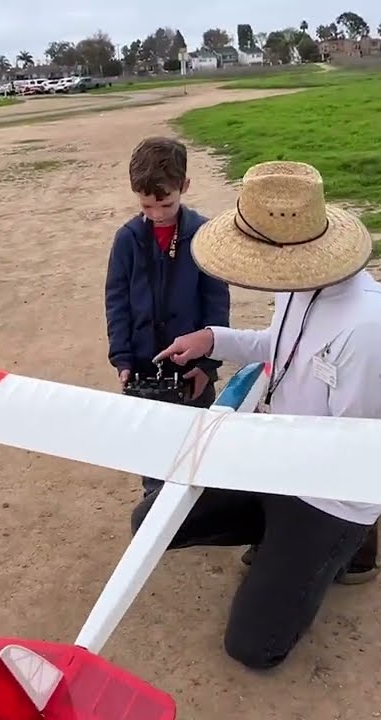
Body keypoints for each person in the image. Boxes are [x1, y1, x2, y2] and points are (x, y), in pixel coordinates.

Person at [141, 160, 381, 670]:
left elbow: (358, 450)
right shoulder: (302, 279)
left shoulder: (368, 328)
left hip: (330, 493)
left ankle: (351, 544)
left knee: (254, 647)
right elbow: (283, 348)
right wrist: (213, 339)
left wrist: (247, 445)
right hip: (277, 460)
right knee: (152, 520)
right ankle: (279, 539)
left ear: (291, 250)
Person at [104, 137, 231, 496]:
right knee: (151, 447)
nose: (157, 213)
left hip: (192, 364)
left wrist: (207, 364)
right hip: (144, 363)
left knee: (198, 443)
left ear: (184, 187)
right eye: (147, 206)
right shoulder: (127, 239)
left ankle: (201, 507)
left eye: (166, 204)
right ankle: (155, 501)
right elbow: (116, 302)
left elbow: (217, 304)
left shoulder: (205, 235)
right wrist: (122, 357)